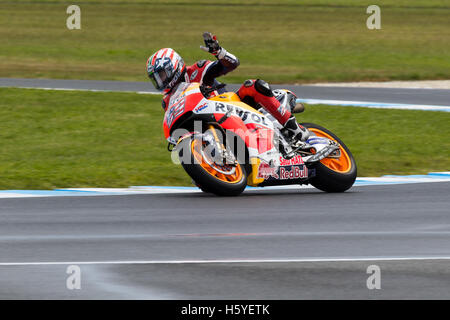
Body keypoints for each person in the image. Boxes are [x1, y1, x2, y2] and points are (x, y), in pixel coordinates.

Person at [146, 32, 309, 144]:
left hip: (231, 106)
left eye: (162, 75)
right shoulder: (167, 101)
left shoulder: (197, 70)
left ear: (175, 65)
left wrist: (219, 52)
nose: (160, 82)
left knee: (252, 86)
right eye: (156, 79)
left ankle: (294, 128)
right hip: (206, 124)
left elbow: (231, 64)